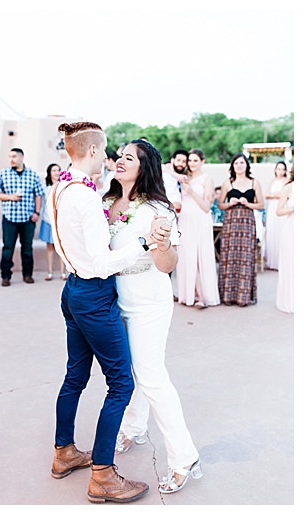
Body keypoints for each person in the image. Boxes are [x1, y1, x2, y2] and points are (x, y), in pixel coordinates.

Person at [49, 122, 168, 504]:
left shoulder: (63, 187)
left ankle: (63, 452)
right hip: (95, 294)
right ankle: (102, 474)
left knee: (75, 376)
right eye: (106, 152)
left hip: (72, 290)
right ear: (93, 152)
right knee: (121, 384)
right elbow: (102, 263)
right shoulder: (84, 197)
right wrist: (142, 243)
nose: (111, 158)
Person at [106, 140, 202, 494]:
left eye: (128, 157)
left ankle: (183, 456)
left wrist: (162, 246)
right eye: (118, 156)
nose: (119, 161)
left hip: (149, 300)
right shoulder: (105, 201)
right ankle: (134, 427)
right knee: (131, 369)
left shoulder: (159, 209)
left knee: (150, 375)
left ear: (143, 167)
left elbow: (167, 265)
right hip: (114, 298)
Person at [0, 148, 45, 286]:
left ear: (22, 157)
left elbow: (38, 195)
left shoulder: (32, 174)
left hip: (28, 218)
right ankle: (5, 276)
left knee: (27, 248)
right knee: (8, 248)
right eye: (10, 156)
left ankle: (27, 275)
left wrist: (37, 212)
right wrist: (10, 197)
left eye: (14, 156)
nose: (12, 159)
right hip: (10, 218)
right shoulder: (3, 174)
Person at [175, 148, 220, 308]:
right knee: (187, 256)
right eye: (190, 160)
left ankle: (202, 296)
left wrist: (192, 192)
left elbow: (207, 207)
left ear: (202, 161)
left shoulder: (207, 179)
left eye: (195, 160)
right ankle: (188, 293)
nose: (192, 163)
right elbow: (165, 167)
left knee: (200, 257)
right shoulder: (184, 178)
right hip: (185, 220)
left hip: (200, 220)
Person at [216, 153, 263, 306]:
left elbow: (261, 205)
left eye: (242, 163)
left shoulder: (254, 182)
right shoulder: (227, 183)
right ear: (232, 166)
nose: (239, 165)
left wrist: (247, 203)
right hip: (231, 222)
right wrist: (230, 203)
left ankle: (244, 297)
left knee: (246, 257)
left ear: (247, 165)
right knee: (230, 256)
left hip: (247, 222)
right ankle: (228, 296)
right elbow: (220, 205)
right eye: (236, 163)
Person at [38, 163, 66, 280]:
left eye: (58, 170)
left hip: (61, 221)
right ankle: (49, 272)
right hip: (47, 220)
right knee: (49, 246)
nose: (56, 172)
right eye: (54, 170)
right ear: (49, 172)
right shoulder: (45, 187)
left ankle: (63, 272)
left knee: (62, 247)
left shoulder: (63, 186)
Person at [264, 161, 289, 269]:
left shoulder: (286, 181)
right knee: (271, 231)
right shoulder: (272, 181)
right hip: (272, 208)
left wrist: (273, 195)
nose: (281, 171)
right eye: (279, 169)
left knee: (281, 231)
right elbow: (267, 195)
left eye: (283, 169)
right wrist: (275, 195)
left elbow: (285, 195)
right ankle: (271, 261)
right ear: (275, 170)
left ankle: (282, 261)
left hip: (282, 207)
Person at [275, 168, 294, 313]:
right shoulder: (288, 188)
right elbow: (279, 211)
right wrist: (293, 208)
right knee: (291, 263)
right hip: (291, 228)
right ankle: (290, 299)